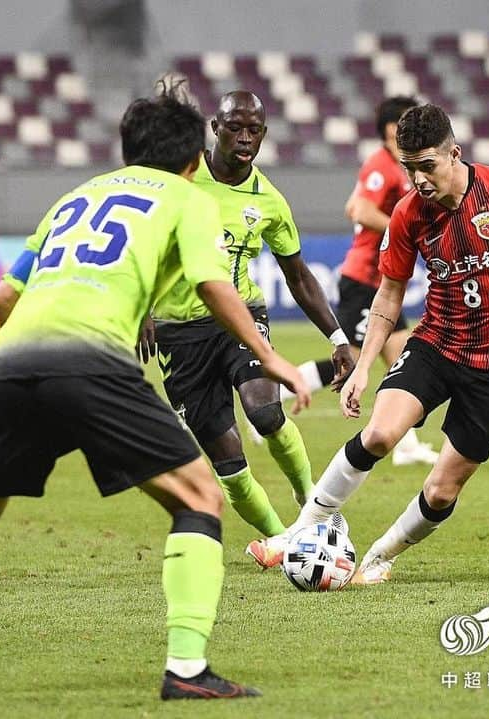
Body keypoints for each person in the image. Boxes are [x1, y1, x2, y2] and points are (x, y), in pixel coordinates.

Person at [0, 87, 311, 703]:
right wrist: (274, 357)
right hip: (93, 364)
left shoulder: (76, 196)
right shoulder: (190, 198)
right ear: (193, 157)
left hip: (14, 363)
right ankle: (187, 669)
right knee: (200, 496)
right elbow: (210, 284)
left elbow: (4, 298)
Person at [247, 104, 489, 580]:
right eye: (409, 168)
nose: (418, 179)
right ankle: (301, 531)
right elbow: (389, 295)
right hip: (437, 345)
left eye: (427, 166)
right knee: (379, 434)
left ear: (454, 153)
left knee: (443, 490)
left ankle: (380, 556)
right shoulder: (408, 215)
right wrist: (361, 368)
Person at [145, 90, 353, 554]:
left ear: (263, 135)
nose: (244, 138)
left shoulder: (270, 202)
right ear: (214, 129)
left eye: (253, 130)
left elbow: (297, 276)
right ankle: (283, 541)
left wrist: (337, 337)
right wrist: (142, 308)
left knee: (265, 410)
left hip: (240, 316)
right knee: (230, 463)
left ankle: (313, 505)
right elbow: (145, 245)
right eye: (234, 127)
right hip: (180, 331)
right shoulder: (180, 179)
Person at [282, 96, 438, 467]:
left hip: (380, 279)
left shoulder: (396, 165)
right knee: (350, 360)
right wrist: (404, 232)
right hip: (365, 279)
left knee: (401, 357)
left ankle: (406, 443)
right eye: (402, 121)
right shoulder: (381, 164)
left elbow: (355, 200)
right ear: (388, 128)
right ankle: (274, 393)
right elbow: (358, 208)